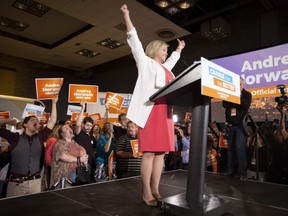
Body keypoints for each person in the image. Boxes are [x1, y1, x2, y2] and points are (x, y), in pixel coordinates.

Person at [120, 4, 185, 206]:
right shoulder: (145, 62)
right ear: (155, 50)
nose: (166, 54)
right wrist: (126, 16)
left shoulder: (166, 69)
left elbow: (171, 64)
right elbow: (134, 39)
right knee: (148, 153)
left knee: (161, 153)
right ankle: (146, 191)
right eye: (164, 50)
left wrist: (178, 50)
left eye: (167, 51)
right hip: (150, 112)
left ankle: (156, 189)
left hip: (165, 112)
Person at [0, 95, 58, 197]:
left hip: (35, 184)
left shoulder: (41, 136)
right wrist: (9, 120)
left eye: (37, 121)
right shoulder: (15, 137)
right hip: (16, 184)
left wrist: (54, 103)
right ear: (25, 125)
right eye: (32, 120)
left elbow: (53, 121)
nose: (36, 122)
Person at [222, 77, 252, 179]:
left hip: (240, 126)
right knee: (230, 149)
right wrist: (231, 94)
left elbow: (245, 106)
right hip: (230, 126)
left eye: (240, 84)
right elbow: (225, 104)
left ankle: (241, 172)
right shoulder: (230, 94)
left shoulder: (247, 94)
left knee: (239, 149)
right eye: (237, 84)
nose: (238, 86)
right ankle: (231, 170)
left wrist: (239, 94)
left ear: (243, 84)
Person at [50, 124, 88, 189]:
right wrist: (79, 159)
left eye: (70, 127)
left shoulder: (74, 142)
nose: (69, 129)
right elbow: (63, 156)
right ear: (62, 134)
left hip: (77, 173)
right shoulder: (60, 143)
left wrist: (84, 161)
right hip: (65, 176)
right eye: (66, 128)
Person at [74, 101, 94, 179]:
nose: (89, 127)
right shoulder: (79, 133)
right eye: (87, 125)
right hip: (80, 164)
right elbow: (78, 124)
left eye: (91, 126)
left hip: (89, 163)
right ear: (83, 124)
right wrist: (82, 109)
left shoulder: (91, 137)